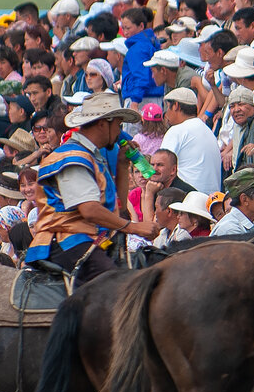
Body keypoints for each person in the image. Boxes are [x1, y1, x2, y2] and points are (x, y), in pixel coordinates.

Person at [24, 92, 158, 282]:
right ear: (103, 124)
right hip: (66, 240)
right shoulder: (73, 157)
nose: (120, 133)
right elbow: (89, 210)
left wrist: (122, 165)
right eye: (118, 126)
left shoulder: (90, 155)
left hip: (89, 239)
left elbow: (117, 208)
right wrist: (134, 228)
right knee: (117, 285)